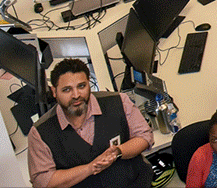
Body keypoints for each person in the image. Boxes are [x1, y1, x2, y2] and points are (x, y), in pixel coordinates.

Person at [26, 57, 153, 188]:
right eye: (67, 90)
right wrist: (89, 168)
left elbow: (144, 136)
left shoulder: (119, 101)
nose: (76, 95)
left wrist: (118, 152)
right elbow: (42, 181)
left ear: (89, 83)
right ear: (54, 91)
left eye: (81, 86)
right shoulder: (39, 133)